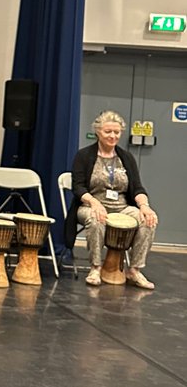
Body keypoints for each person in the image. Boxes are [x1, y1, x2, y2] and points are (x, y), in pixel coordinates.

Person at [64, 109, 158, 289]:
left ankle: (135, 270)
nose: (112, 136)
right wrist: (93, 202)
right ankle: (95, 267)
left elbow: (137, 187)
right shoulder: (84, 156)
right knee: (96, 218)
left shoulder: (127, 158)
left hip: (122, 207)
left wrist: (145, 206)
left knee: (149, 220)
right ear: (98, 131)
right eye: (108, 131)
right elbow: (78, 187)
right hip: (90, 204)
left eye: (116, 132)